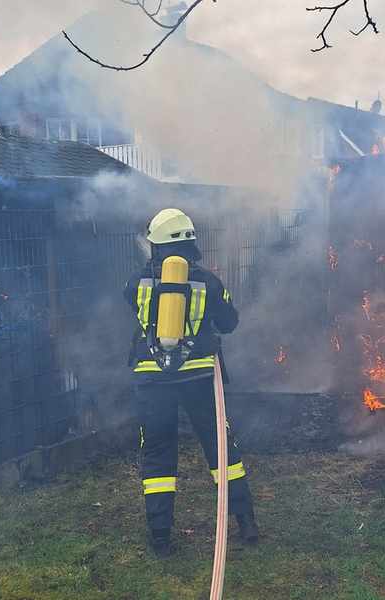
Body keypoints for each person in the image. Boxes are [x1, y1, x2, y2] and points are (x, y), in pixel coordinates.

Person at [124, 208, 259, 557]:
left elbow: (132, 306)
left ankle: (160, 538)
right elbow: (230, 322)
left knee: (157, 457)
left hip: (153, 382)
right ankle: (246, 523)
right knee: (222, 450)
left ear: (157, 246)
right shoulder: (208, 282)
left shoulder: (136, 282)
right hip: (200, 379)